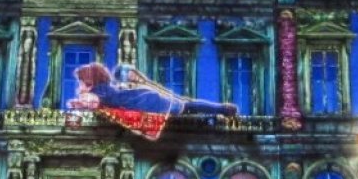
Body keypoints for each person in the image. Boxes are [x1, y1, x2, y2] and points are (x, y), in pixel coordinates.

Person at [69, 63, 237, 117]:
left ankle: (223, 109)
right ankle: (222, 109)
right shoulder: (102, 89)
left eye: (81, 82)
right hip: (144, 98)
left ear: (89, 82)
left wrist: (79, 101)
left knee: (187, 106)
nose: (79, 86)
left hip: (147, 102)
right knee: (188, 105)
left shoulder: (98, 92)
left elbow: (93, 102)